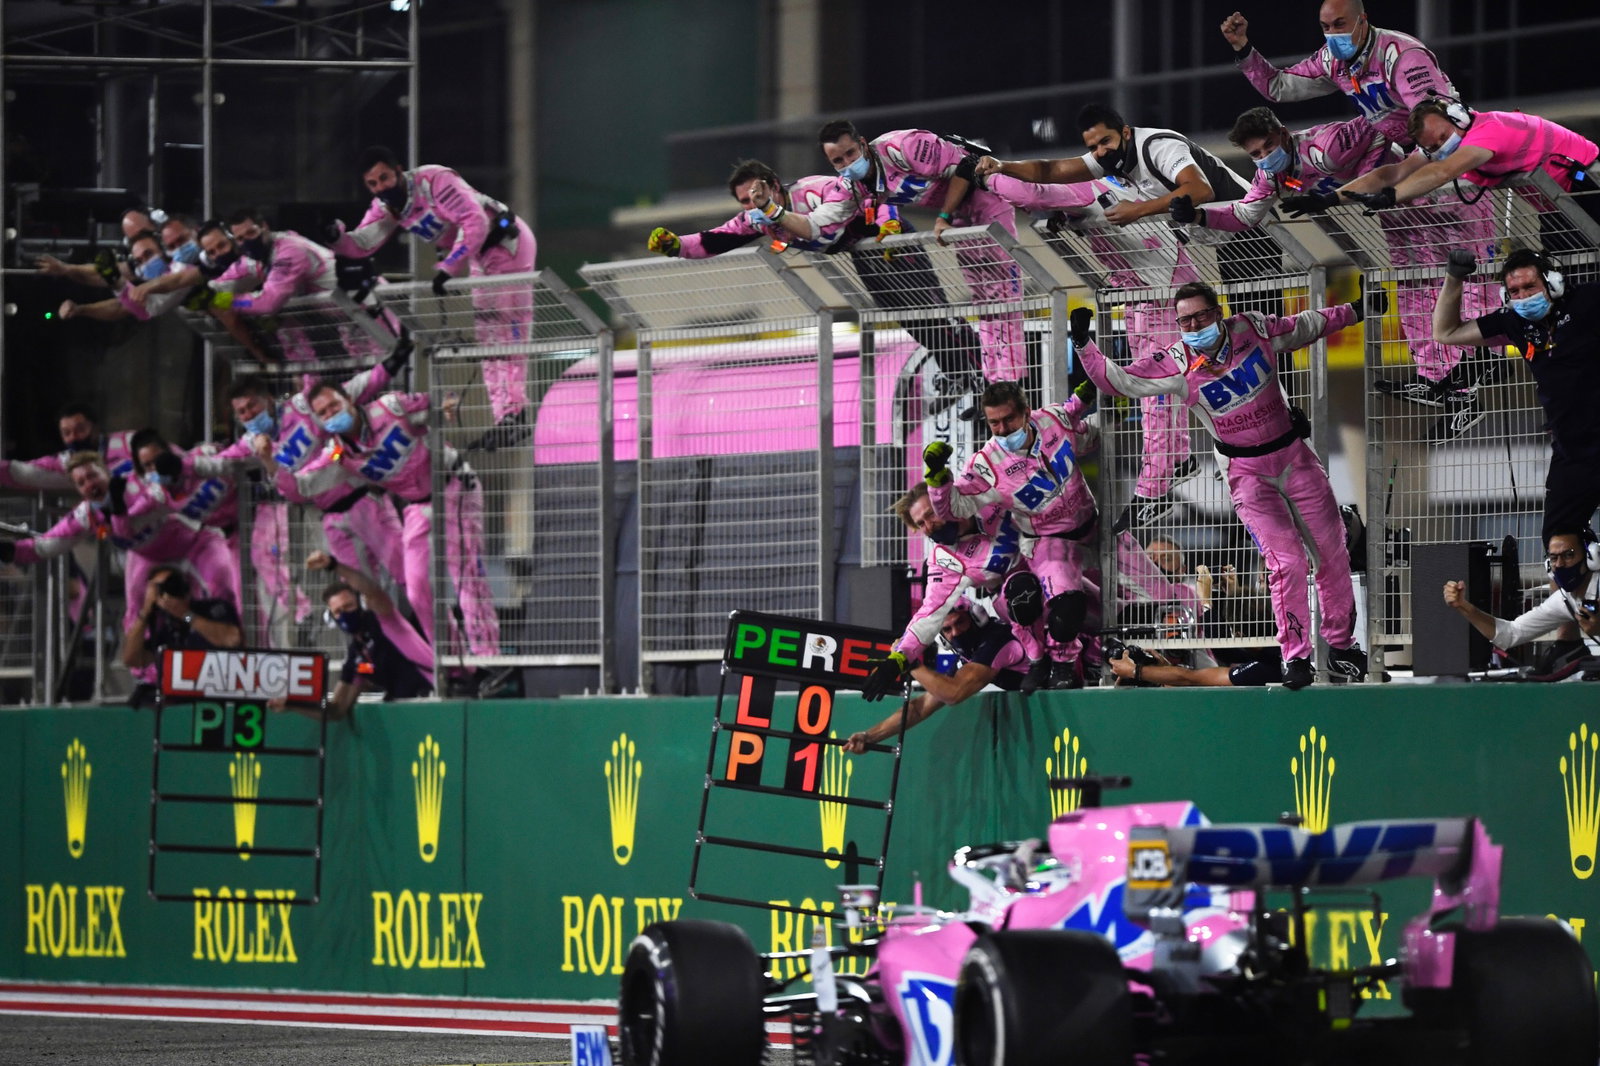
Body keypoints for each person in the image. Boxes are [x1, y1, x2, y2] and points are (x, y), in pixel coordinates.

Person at [1075, 282, 1374, 688]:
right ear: (1177, 324)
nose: (1195, 325)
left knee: (1332, 552)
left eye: (1201, 316)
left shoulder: (1252, 328)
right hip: (1246, 474)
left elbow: (1305, 325)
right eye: (1185, 320)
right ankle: (1296, 658)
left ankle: (1340, 647)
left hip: (1295, 458)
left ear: (1218, 312)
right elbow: (1121, 381)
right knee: (1286, 562)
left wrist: (1356, 310)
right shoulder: (1176, 361)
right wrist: (1083, 345)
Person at [972, 104, 1261, 521]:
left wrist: (987, 174)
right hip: (1146, 289)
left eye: (1105, 141)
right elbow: (1046, 175)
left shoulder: (1104, 177)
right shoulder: (1095, 178)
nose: (1099, 151)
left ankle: (1164, 479)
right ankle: (1181, 466)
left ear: (1124, 133)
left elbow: (1034, 186)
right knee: (1169, 385)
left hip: (1176, 278)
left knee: (1166, 385)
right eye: (1093, 146)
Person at [1203, 106, 1498, 439]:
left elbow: (1387, 117)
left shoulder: (1328, 145)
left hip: (1437, 191)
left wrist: (1414, 153)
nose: (1264, 157)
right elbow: (1244, 215)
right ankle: (1434, 378)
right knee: (1411, 284)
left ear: (1284, 133)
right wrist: (1200, 217)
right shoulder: (1270, 175)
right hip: (1393, 209)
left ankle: (1483, 361)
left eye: (1269, 146)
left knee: (1462, 275)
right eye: (1255, 153)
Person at [331, 145, 536, 439]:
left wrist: (449, 267)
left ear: (399, 170)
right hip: (479, 256)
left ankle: (516, 411)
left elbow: (474, 220)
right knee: (487, 336)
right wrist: (336, 237)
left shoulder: (435, 180)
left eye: (385, 178)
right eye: (372, 184)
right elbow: (362, 244)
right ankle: (504, 416)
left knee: (507, 328)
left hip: (507, 244)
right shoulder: (386, 206)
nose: (381, 188)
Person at [291, 384, 499, 657]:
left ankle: (489, 657)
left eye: (334, 405)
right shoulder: (339, 453)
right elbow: (304, 483)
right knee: (416, 590)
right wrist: (273, 467)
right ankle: (451, 664)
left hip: (453, 485)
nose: (331, 414)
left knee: (465, 574)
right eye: (323, 413)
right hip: (416, 505)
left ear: (350, 399)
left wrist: (447, 405)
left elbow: (438, 398)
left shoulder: (391, 407)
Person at [820, 120, 1028, 386]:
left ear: (862, 143)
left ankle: (1016, 385)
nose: (847, 163)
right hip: (960, 216)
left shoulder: (905, 146)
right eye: (838, 160)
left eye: (850, 153)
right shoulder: (854, 185)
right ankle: (996, 385)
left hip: (987, 199)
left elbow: (968, 165)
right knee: (984, 302)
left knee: (1005, 299)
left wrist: (943, 216)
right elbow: (828, 220)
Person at [922, 379, 1101, 687]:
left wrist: (1084, 403)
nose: (1002, 428)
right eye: (994, 423)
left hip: (1086, 534)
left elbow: (1071, 419)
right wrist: (939, 482)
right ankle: (1048, 661)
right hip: (1033, 574)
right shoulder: (983, 471)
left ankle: (1093, 658)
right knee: (1032, 596)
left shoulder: (1049, 422)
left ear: (1026, 413)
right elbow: (952, 506)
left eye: (1008, 420)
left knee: (1103, 607)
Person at [1430, 248, 1600, 540]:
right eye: (1515, 290)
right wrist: (1454, 278)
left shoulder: (1588, 300)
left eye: (1530, 286)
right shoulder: (1513, 322)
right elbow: (1445, 332)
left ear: (1552, 283)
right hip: (1572, 452)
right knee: (1558, 540)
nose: (1523, 296)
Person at [221, 372, 409, 600]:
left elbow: (355, 389)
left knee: (408, 575)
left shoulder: (304, 407)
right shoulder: (252, 444)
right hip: (329, 518)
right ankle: (379, 633)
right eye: (242, 412)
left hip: (364, 499)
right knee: (361, 593)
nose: (249, 414)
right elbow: (217, 463)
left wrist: (388, 367)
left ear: (268, 399)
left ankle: (442, 629)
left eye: (252, 405)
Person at [864, 481, 1055, 695]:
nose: (928, 526)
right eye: (921, 523)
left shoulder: (985, 497)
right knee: (1016, 593)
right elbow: (929, 615)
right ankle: (1055, 665)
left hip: (1055, 565)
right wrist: (899, 658)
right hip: (1021, 603)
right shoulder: (943, 560)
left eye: (930, 515)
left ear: (943, 502)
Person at [1318, 100, 1600, 232]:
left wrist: (1391, 196)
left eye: (1443, 136)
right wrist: (1331, 197)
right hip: (1558, 205)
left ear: (1459, 118)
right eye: (1435, 145)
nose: (1443, 144)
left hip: (1589, 186)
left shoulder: (1490, 130)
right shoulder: (1451, 140)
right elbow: (1394, 172)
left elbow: (1443, 171)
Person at [1220, 3, 1455, 151]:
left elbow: (1434, 119)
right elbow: (1277, 87)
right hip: (1408, 151)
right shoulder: (1330, 60)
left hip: (1445, 145)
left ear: (1362, 20)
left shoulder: (1401, 54)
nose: (1332, 34)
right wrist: (1243, 48)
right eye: (1326, 27)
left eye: (1340, 24)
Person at [846, 603, 1029, 752]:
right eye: (947, 629)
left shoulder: (996, 641)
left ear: (976, 619)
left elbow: (953, 693)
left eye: (960, 622)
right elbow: (920, 708)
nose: (955, 633)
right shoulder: (968, 657)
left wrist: (909, 663)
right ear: (941, 637)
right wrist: (869, 736)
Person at [277, 550, 434, 719]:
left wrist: (333, 565)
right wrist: (292, 704)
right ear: (332, 618)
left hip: (431, 697)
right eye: (338, 611)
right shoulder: (356, 657)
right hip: (404, 712)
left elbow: (373, 591)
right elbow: (336, 709)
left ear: (360, 604)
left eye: (349, 606)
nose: (344, 614)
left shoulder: (385, 620)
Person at [1443, 530, 1600, 662]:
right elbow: (1511, 633)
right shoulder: (1566, 599)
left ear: (1591, 557)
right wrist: (1463, 605)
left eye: (1568, 555)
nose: (1559, 564)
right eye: (1553, 558)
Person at [119, 568, 243, 677]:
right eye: (159, 590)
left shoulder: (212, 609)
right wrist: (145, 613)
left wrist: (186, 615)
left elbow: (232, 639)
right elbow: (131, 660)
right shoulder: (166, 630)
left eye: (172, 586)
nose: (167, 594)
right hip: (181, 698)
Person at [0, 401, 136, 493]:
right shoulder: (65, 462)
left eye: (80, 429)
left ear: (95, 427)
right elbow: (21, 472)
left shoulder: (129, 442)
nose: (74, 437)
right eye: (66, 433)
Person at [1108, 644, 1281, 687]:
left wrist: (1134, 671)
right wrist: (1163, 668)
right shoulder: (1276, 658)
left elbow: (1190, 679)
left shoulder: (1262, 669)